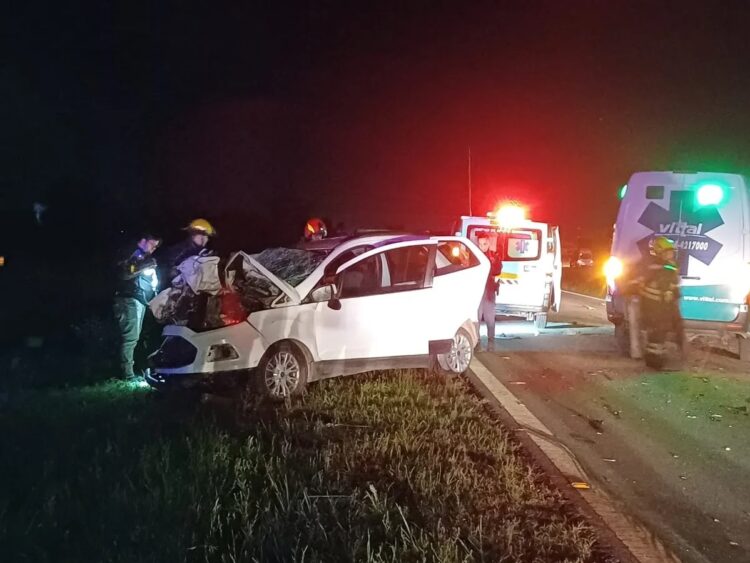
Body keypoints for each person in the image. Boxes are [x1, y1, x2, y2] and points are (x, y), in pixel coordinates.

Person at [113, 233, 161, 379]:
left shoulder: (143, 256)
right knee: (130, 337)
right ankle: (126, 374)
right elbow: (124, 273)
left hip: (138, 300)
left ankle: (132, 369)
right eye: (152, 244)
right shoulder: (130, 253)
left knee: (134, 337)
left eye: (156, 246)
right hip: (128, 299)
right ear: (143, 240)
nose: (153, 248)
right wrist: (145, 265)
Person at [633, 236, 684, 366]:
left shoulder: (663, 267)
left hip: (659, 307)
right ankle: (655, 360)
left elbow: (673, 288)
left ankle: (657, 358)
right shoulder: (661, 268)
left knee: (660, 334)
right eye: (668, 251)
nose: (671, 254)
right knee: (657, 335)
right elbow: (666, 289)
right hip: (656, 308)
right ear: (660, 252)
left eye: (671, 251)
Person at [159, 218, 217, 284]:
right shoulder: (180, 250)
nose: (204, 238)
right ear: (192, 234)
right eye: (201, 234)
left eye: (206, 236)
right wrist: (177, 273)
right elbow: (167, 269)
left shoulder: (206, 253)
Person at [476, 232, 503, 350]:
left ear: (489, 242)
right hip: (477, 291)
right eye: (480, 244)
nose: (482, 246)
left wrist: (491, 263)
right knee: (476, 316)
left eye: (485, 244)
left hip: (489, 290)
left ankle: (491, 341)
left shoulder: (494, 256)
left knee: (489, 317)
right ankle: (476, 340)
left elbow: (498, 271)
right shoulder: (474, 255)